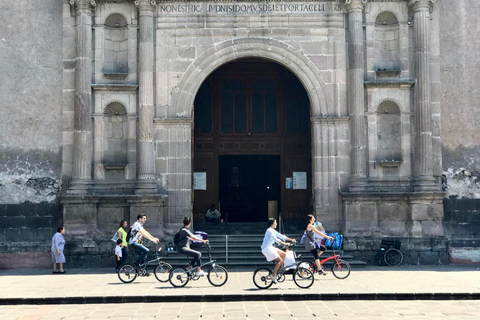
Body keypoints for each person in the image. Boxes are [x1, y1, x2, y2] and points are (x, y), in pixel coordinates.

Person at [261, 218, 296, 284]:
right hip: (266, 249)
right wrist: (284, 243)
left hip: (270, 247)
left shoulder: (272, 230)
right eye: (275, 222)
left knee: (284, 254)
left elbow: (281, 236)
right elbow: (275, 239)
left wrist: (291, 239)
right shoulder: (269, 231)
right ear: (272, 223)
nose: (276, 224)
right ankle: (273, 276)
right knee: (280, 260)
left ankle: (280, 270)